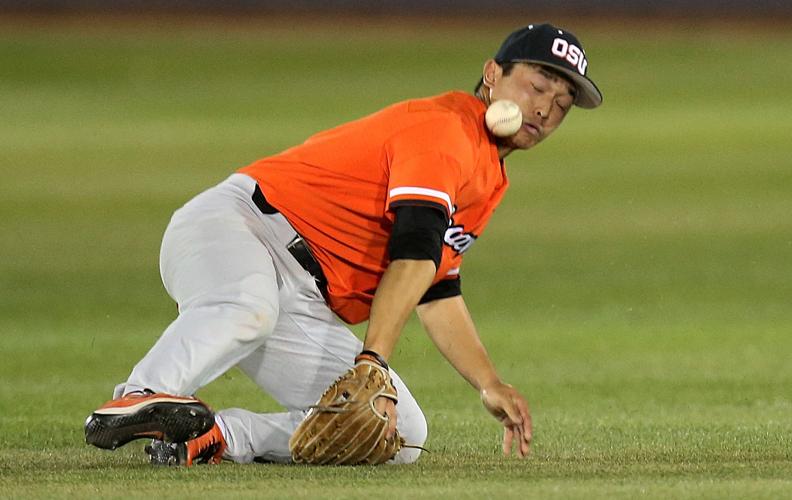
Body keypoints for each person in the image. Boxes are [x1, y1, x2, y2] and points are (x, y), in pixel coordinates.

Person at [84, 22, 602, 466]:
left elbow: (434, 287)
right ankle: (138, 396)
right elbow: (413, 255)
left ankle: (215, 438)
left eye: (561, 104)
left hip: (303, 298)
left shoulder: (489, 175)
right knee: (248, 308)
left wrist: (489, 383)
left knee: (398, 437)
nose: (545, 111)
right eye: (537, 87)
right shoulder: (446, 131)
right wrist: (372, 358)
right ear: (493, 74)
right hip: (241, 228)